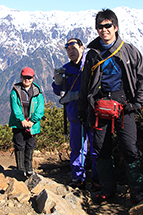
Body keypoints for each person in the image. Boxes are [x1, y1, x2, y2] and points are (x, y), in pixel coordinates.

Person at [78, 9, 143, 203]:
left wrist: (137, 103)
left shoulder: (129, 51)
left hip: (125, 106)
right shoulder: (93, 54)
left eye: (107, 26)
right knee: (101, 148)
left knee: (130, 147)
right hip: (99, 107)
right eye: (100, 27)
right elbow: (85, 83)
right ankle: (108, 189)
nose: (104, 30)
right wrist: (82, 108)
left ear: (116, 27)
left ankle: (137, 191)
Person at [52, 38, 100, 191]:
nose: (71, 51)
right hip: (74, 114)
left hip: (92, 112)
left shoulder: (92, 65)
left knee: (96, 147)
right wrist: (58, 83)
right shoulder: (66, 69)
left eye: (74, 47)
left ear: (82, 48)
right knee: (77, 148)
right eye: (68, 49)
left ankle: (97, 179)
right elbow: (58, 91)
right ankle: (78, 178)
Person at [9, 67, 45, 177]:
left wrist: (32, 121)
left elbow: (40, 108)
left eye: (29, 78)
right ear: (21, 77)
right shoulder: (15, 91)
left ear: (33, 78)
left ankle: (28, 169)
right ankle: (21, 170)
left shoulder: (37, 92)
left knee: (30, 145)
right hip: (19, 123)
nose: (27, 80)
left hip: (32, 125)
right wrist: (22, 120)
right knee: (19, 145)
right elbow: (15, 107)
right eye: (25, 77)